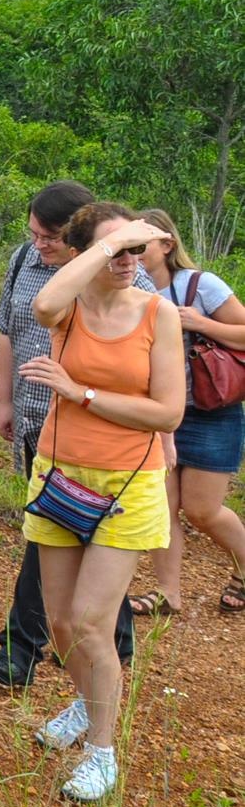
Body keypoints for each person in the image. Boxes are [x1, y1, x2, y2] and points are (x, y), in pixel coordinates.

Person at [18, 203, 183, 802]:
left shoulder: (158, 314)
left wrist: (80, 393)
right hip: (60, 475)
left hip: (126, 486)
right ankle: (85, 705)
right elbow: (40, 305)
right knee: (60, 624)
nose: (129, 262)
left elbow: (167, 413)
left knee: (92, 623)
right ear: (85, 251)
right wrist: (104, 247)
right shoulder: (69, 309)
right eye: (116, 251)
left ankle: (102, 753)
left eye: (138, 251)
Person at [0, 182, 140, 687]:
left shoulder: (121, 274)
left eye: (50, 236)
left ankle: (18, 649)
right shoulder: (24, 259)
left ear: (79, 237)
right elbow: (8, 328)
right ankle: (118, 638)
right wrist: (5, 401)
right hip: (34, 421)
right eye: (34, 233)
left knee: (50, 532)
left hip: (96, 430)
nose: (38, 243)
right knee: (73, 533)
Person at [128, 208, 245, 617]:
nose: (135, 252)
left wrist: (200, 322)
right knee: (163, 505)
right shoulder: (129, 290)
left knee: (202, 509)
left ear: (168, 245)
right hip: (159, 413)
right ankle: (167, 593)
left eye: (144, 244)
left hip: (212, 410)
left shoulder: (200, 285)